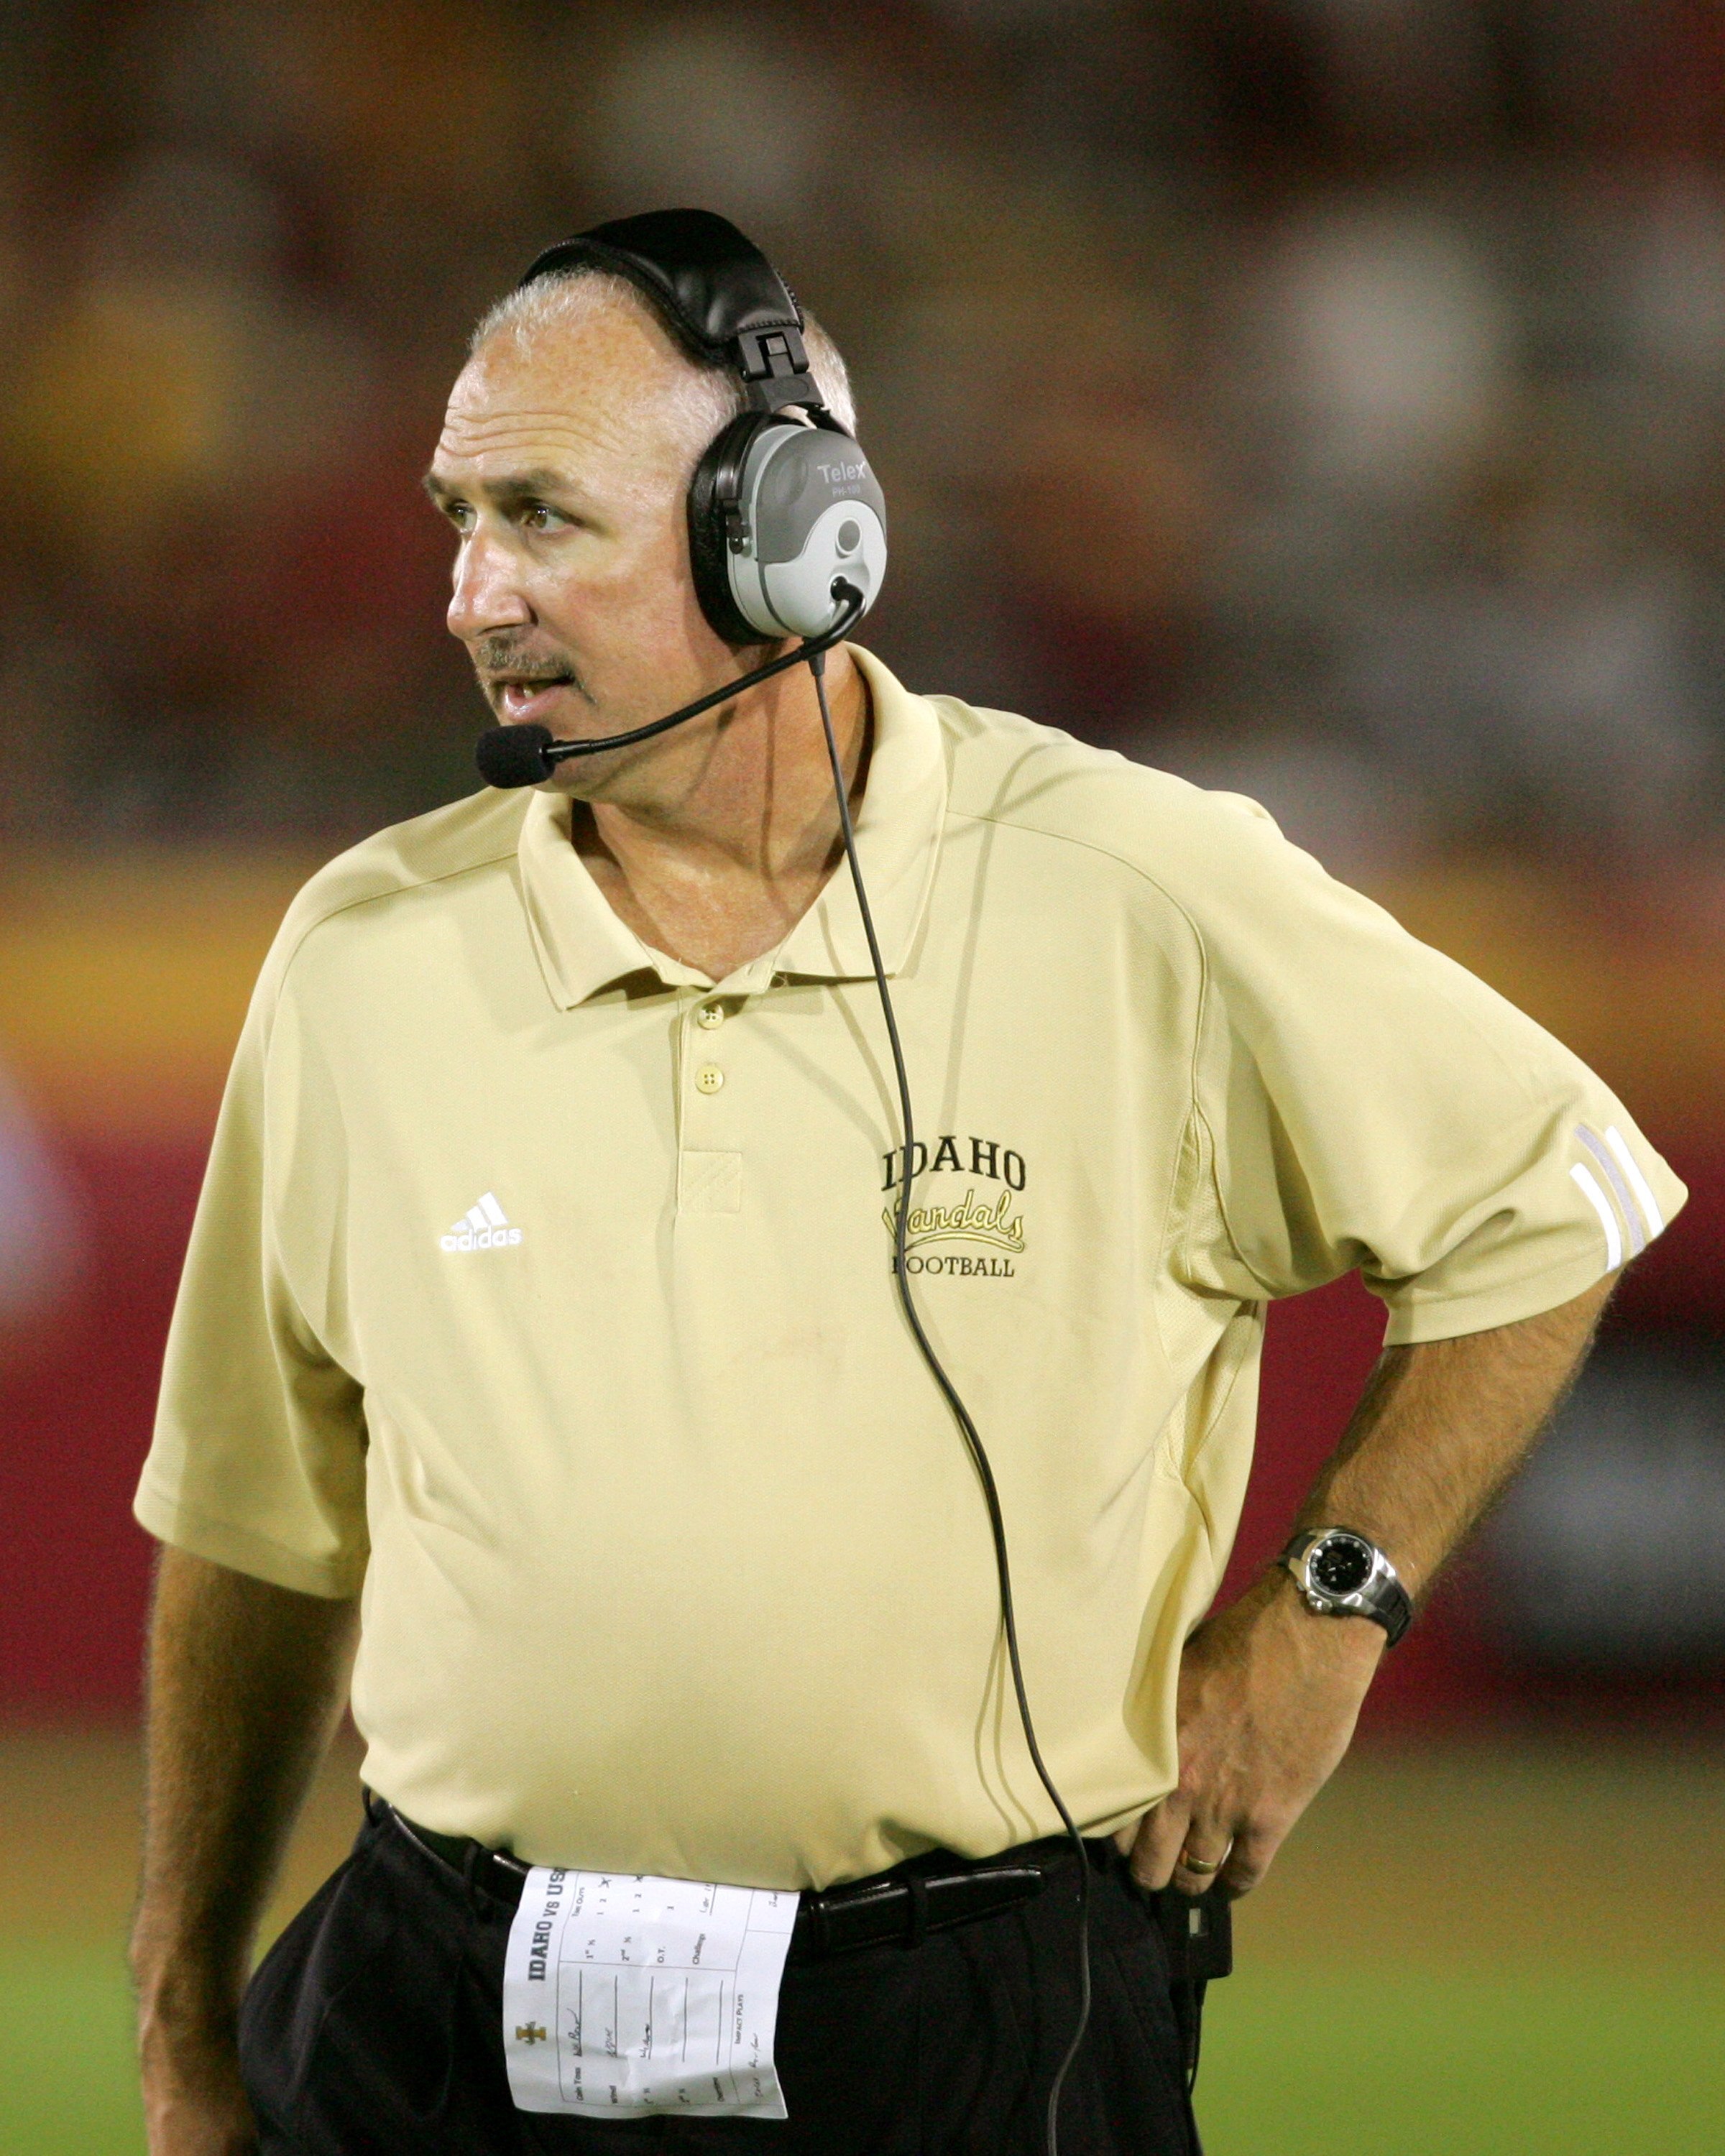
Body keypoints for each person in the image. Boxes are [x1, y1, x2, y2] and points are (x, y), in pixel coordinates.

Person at [129, 213, 1684, 2156]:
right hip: (437, 2003)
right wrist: (182, 2024)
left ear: (785, 538)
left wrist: (1326, 1619)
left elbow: (1554, 1196)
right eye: (463, 516)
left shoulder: (1132, 889)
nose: (471, 595)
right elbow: (257, 1526)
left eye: (541, 518)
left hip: (968, 2021)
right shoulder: (364, 953)